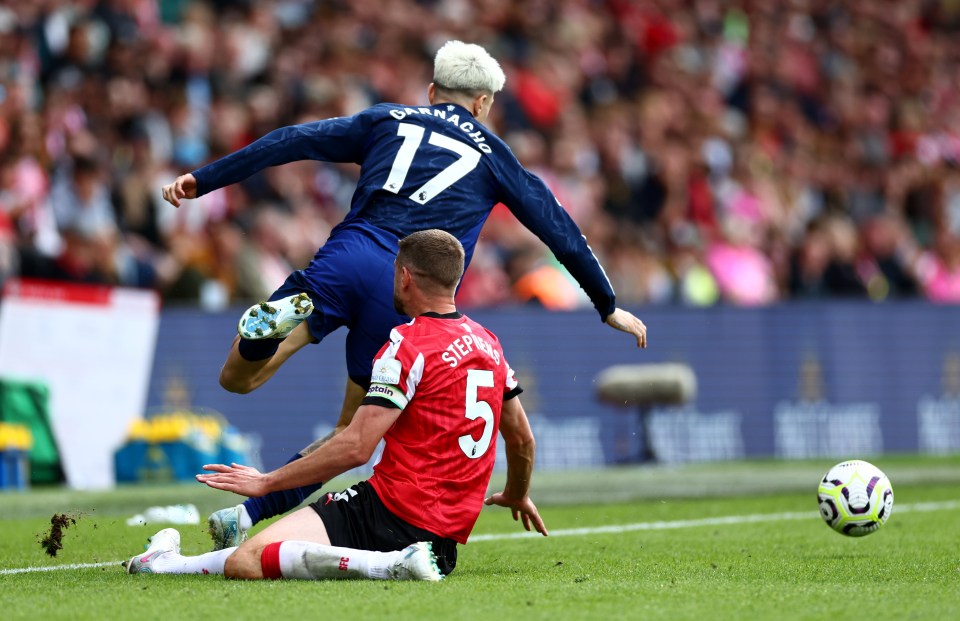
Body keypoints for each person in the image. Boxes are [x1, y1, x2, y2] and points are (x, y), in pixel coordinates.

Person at [160, 40, 647, 549]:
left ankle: (265, 333)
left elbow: (292, 140)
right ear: (483, 104)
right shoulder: (495, 156)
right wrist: (607, 304)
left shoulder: (385, 118)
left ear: (433, 91)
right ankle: (248, 514)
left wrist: (205, 178)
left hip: (344, 258)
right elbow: (558, 228)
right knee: (351, 434)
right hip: (404, 288)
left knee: (238, 378)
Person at [124, 230, 547, 581]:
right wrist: (517, 492)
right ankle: (164, 564)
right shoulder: (489, 345)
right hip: (443, 545)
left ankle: (386, 565)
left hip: (386, 513)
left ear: (404, 278)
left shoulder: (406, 345)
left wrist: (267, 482)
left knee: (246, 561)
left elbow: (355, 446)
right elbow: (522, 438)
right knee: (254, 553)